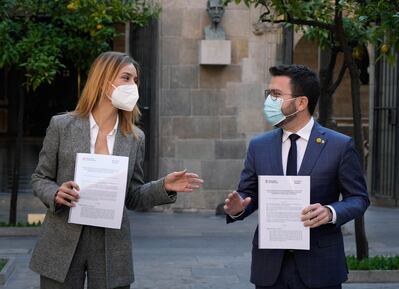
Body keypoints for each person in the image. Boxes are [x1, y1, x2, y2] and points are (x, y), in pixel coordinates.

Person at [29, 51, 203, 289]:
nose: (133, 85)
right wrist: (55, 193)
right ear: (103, 80)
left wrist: (163, 186)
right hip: (62, 239)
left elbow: (132, 195)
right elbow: (40, 178)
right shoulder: (62, 126)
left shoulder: (134, 138)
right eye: (126, 78)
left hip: (111, 244)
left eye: (135, 80)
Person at [223, 64, 370, 289]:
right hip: (270, 268)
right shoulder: (259, 146)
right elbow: (249, 192)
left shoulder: (339, 146)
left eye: (276, 95)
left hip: (320, 267)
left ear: (301, 102)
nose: (269, 101)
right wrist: (238, 208)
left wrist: (330, 212)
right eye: (269, 94)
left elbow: (359, 198)